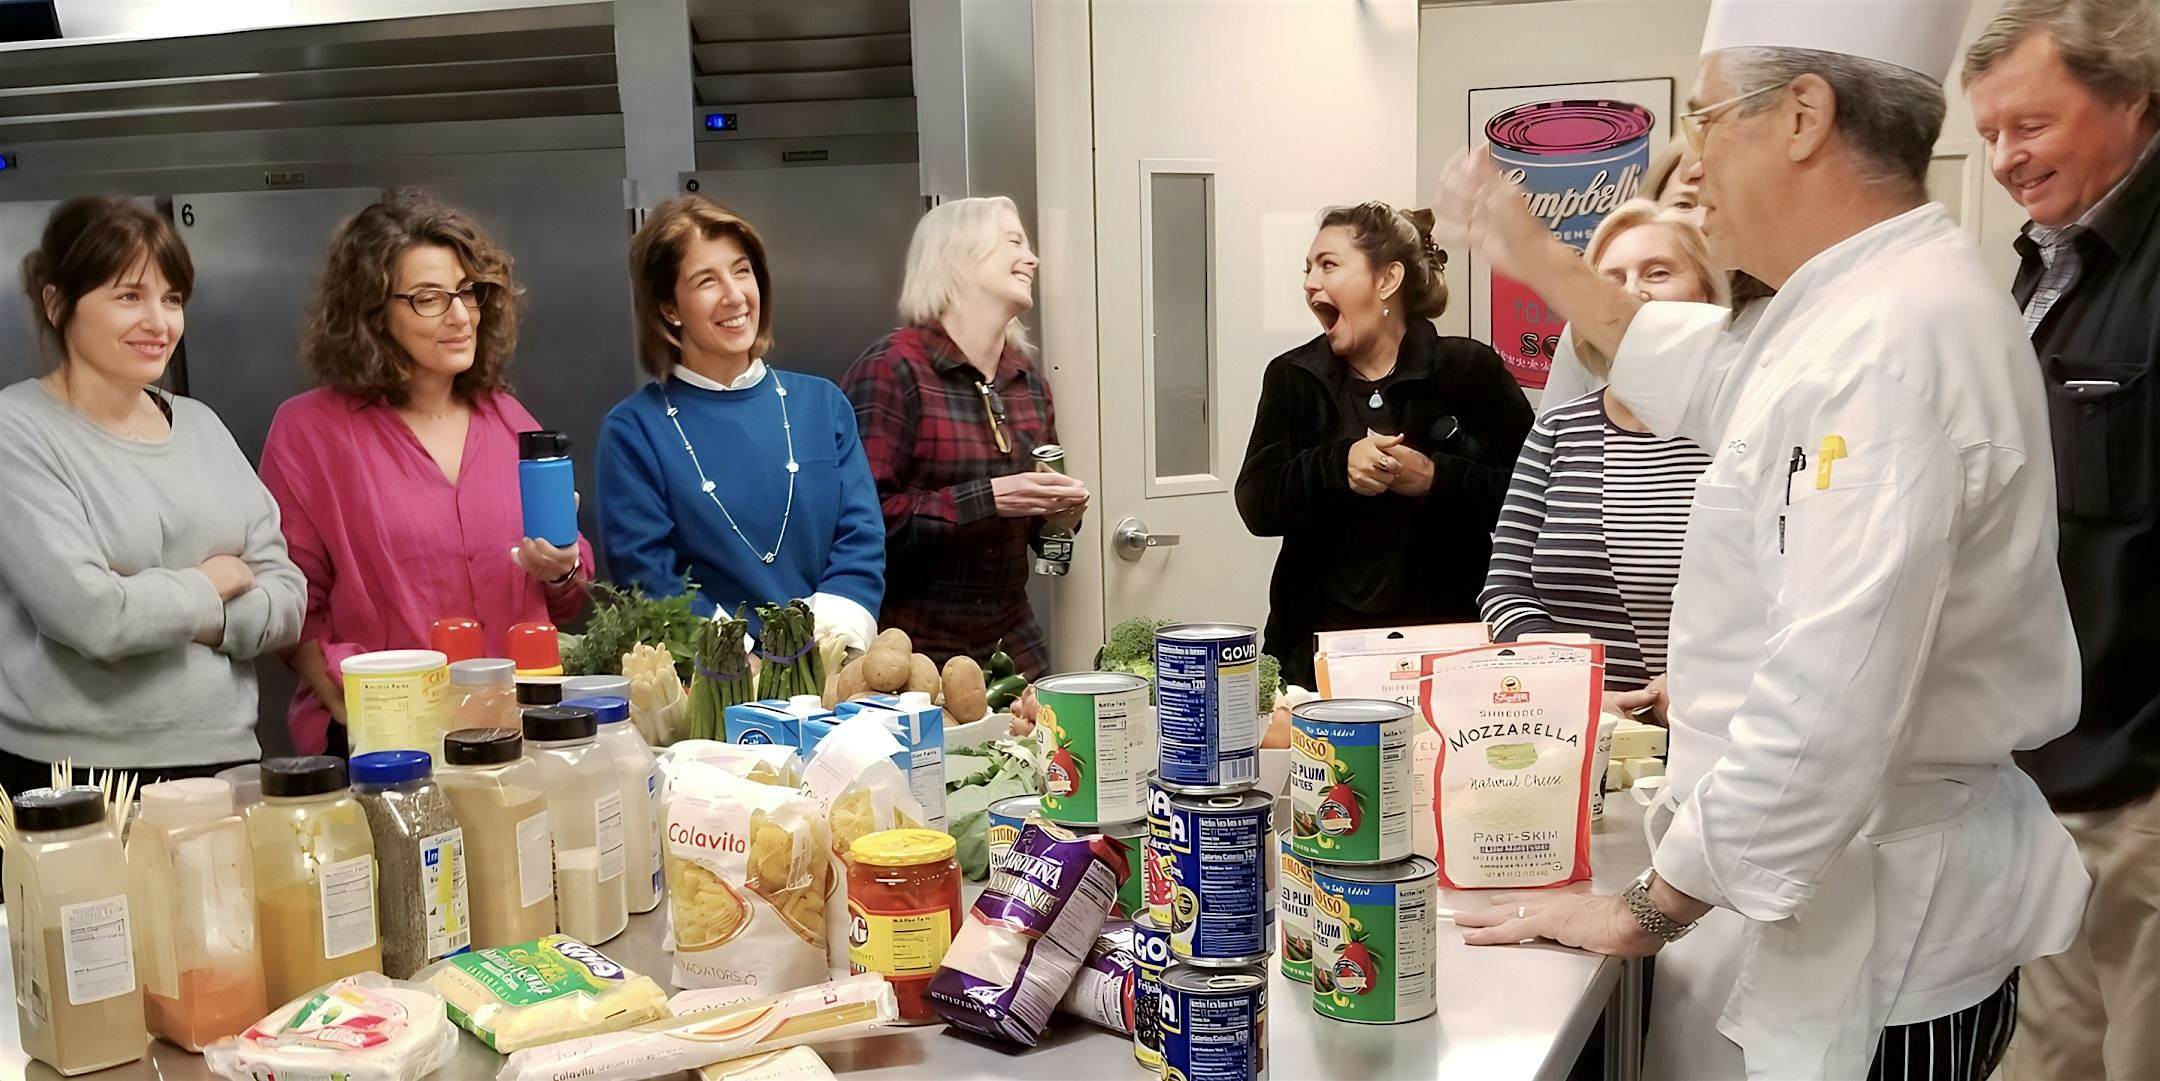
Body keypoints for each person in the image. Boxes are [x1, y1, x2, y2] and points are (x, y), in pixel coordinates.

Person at [1434, 2, 2091, 1078]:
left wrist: (1645, 907)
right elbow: (1693, 363)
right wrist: (1532, 252)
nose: (1692, 158)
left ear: (1801, 116)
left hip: (1881, 931)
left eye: (1706, 116)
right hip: (1814, 896)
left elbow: (1828, 694)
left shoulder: (1895, 341)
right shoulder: (1841, 305)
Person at [1962, 2, 2160, 1076]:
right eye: (1989, 132)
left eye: (2029, 124)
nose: (2004, 158)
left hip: (2143, 780)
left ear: (2132, 96)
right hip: (2052, 770)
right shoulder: (2045, 264)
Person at [260, 190, 595, 757]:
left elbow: (566, 594)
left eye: (467, 292)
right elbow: (291, 604)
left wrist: (562, 570)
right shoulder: (310, 431)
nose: (461, 315)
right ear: (371, 312)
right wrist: (343, 705)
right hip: (387, 740)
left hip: (511, 734)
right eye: (428, 299)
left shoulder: (508, 420)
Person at [0, 197, 305, 793]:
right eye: (128, 296)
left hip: (227, 759)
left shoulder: (201, 426)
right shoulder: (17, 429)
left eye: (171, 299)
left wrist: (163, 606)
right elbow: (95, 618)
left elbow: (289, 598)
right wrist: (214, 581)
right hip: (74, 774)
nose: (159, 323)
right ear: (58, 303)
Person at [1236, 202, 1531, 689]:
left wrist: (1435, 480)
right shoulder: (1294, 377)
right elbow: (1256, 504)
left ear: (1386, 279)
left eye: (1328, 265)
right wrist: (1337, 465)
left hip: (1448, 655)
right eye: (1307, 269)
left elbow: (1534, 503)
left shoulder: (1467, 370)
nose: (1310, 282)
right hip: (1314, 657)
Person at [599, 195, 883, 648]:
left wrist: (822, 655)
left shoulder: (823, 404)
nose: (734, 295)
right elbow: (650, 577)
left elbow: (861, 540)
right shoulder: (635, 430)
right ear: (669, 308)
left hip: (835, 673)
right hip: (715, 690)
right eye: (706, 280)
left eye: (742, 270)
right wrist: (744, 666)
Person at [1479, 200, 1724, 715]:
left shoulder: (1732, 425)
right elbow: (1505, 589)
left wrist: (1690, 682)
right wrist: (1575, 687)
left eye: (1657, 272)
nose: (1631, 291)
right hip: (1572, 729)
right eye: (1610, 278)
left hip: (1708, 730)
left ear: (1707, 292)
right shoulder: (1559, 428)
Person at [841, 196, 1086, 678]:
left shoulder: (1028, 381)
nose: (1032, 258)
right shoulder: (893, 370)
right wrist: (989, 498)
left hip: (1015, 656)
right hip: (912, 660)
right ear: (958, 256)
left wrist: (1061, 519)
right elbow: (865, 525)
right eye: (1014, 241)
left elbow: (1044, 538)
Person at [1540, 138, 1772, 406]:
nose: (1700, 220)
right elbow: (1551, 436)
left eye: (1716, 204)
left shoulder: (1775, 323)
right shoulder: (1591, 326)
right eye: (1684, 205)